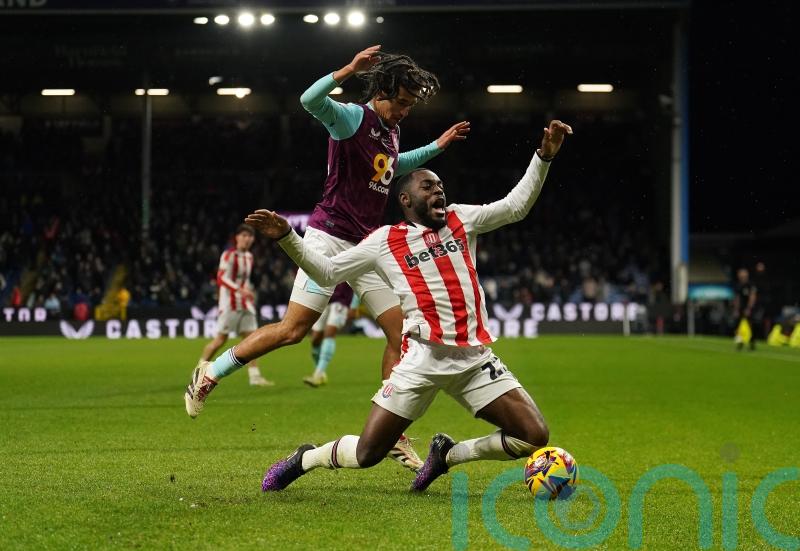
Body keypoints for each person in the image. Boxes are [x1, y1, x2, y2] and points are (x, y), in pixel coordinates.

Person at [185, 45, 469, 471]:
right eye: (403, 103)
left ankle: (392, 433)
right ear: (384, 93)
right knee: (293, 330)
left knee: (402, 335)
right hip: (328, 239)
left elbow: (393, 166)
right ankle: (210, 372)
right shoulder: (352, 117)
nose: (406, 112)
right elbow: (309, 101)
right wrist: (349, 70)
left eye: (411, 105)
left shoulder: (390, 130)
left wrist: (436, 146)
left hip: (367, 246)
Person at [249, 120, 572, 492]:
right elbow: (326, 271)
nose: (439, 191)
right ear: (405, 200)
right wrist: (288, 236)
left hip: (473, 359)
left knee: (533, 436)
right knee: (368, 453)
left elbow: (515, 207)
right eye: (429, 186)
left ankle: (446, 456)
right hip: (420, 362)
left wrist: (544, 157)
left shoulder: (461, 219)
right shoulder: (385, 240)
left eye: (440, 186)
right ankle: (305, 458)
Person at [195, 224, 273, 388]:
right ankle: (198, 374)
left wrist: (248, 292)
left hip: (245, 304)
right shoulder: (229, 255)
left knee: (252, 341)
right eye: (244, 235)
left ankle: (255, 377)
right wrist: (240, 290)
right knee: (220, 340)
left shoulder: (249, 257)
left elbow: (245, 281)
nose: (247, 239)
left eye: (250, 236)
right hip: (230, 303)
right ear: (237, 237)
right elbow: (221, 278)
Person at [303, 282, 356, 388]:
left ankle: (318, 374)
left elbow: (356, 280)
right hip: (323, 300)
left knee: (329, 333)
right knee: (315, 339)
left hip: (341, 302)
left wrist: (354, 306)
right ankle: (321, 374)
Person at [733, 267, 758, 351]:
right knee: (738, 326)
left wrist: (749, 308)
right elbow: (737, 298)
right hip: (740, 308)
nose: (741, 276)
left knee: (750, 326)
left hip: (748, 308)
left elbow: (752, 297)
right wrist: (736, 309)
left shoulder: (750, 284)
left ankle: (752, 343)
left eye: (743, 274)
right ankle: (740, 342)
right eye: (740, 274)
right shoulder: (738, 285)